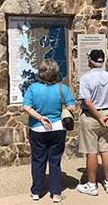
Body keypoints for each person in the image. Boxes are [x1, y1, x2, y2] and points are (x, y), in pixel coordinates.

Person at [22, 58, 76, 203]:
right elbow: (72, 107)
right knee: (55, 161)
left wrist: (40, 118)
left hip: (38, 129)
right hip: (58, 128)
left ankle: (36, 191)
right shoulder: (62, 89)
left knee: (38, 160)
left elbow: (26, 107)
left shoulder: (33, 88)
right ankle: (56, 193)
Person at [76, 49, 108, 196]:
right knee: (106, 149)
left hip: (91, 116)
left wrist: (99, 117)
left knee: (91, 151)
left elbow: (87, 102)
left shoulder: (86, 78)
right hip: (107, 113)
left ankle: (91, 184)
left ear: (90, 60)